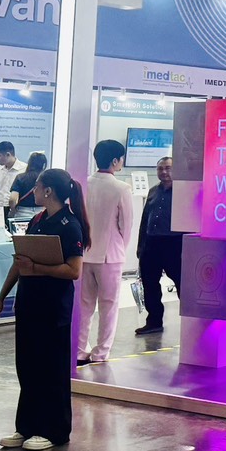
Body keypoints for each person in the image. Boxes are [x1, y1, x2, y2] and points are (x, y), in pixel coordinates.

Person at [0, 168, 89, 451]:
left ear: (48, 191)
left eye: (37, 186)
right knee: (28, 366)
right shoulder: (37, 220)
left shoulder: (69, 225)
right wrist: (1, 299)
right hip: (29, 303)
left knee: (50, 368)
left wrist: (38, 268)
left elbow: (74, 270)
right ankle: (27, 426)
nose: (33, 190)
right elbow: (20, 263)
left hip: (53, 307)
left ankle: (53, 430)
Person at [78, 139, 134, 366]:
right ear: (115, 160)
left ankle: (80, 350)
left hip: (84, 255)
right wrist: (121, 247)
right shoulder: (122, 188)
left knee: (84, 305)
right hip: (110, 255)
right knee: (108, 306)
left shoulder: (83, 184)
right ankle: (101, 353)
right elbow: (126, 225)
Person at [135, 156, 183, 336]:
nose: (164, 172)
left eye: (168, 168)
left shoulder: (182, 192)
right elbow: (145, 220)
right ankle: (154, 321)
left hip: (174, 244)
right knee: (150, 284)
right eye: (160, 169)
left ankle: (190, 322)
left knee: (182, 283)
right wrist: (141, 246)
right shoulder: (153, 191)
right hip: (152, 243)